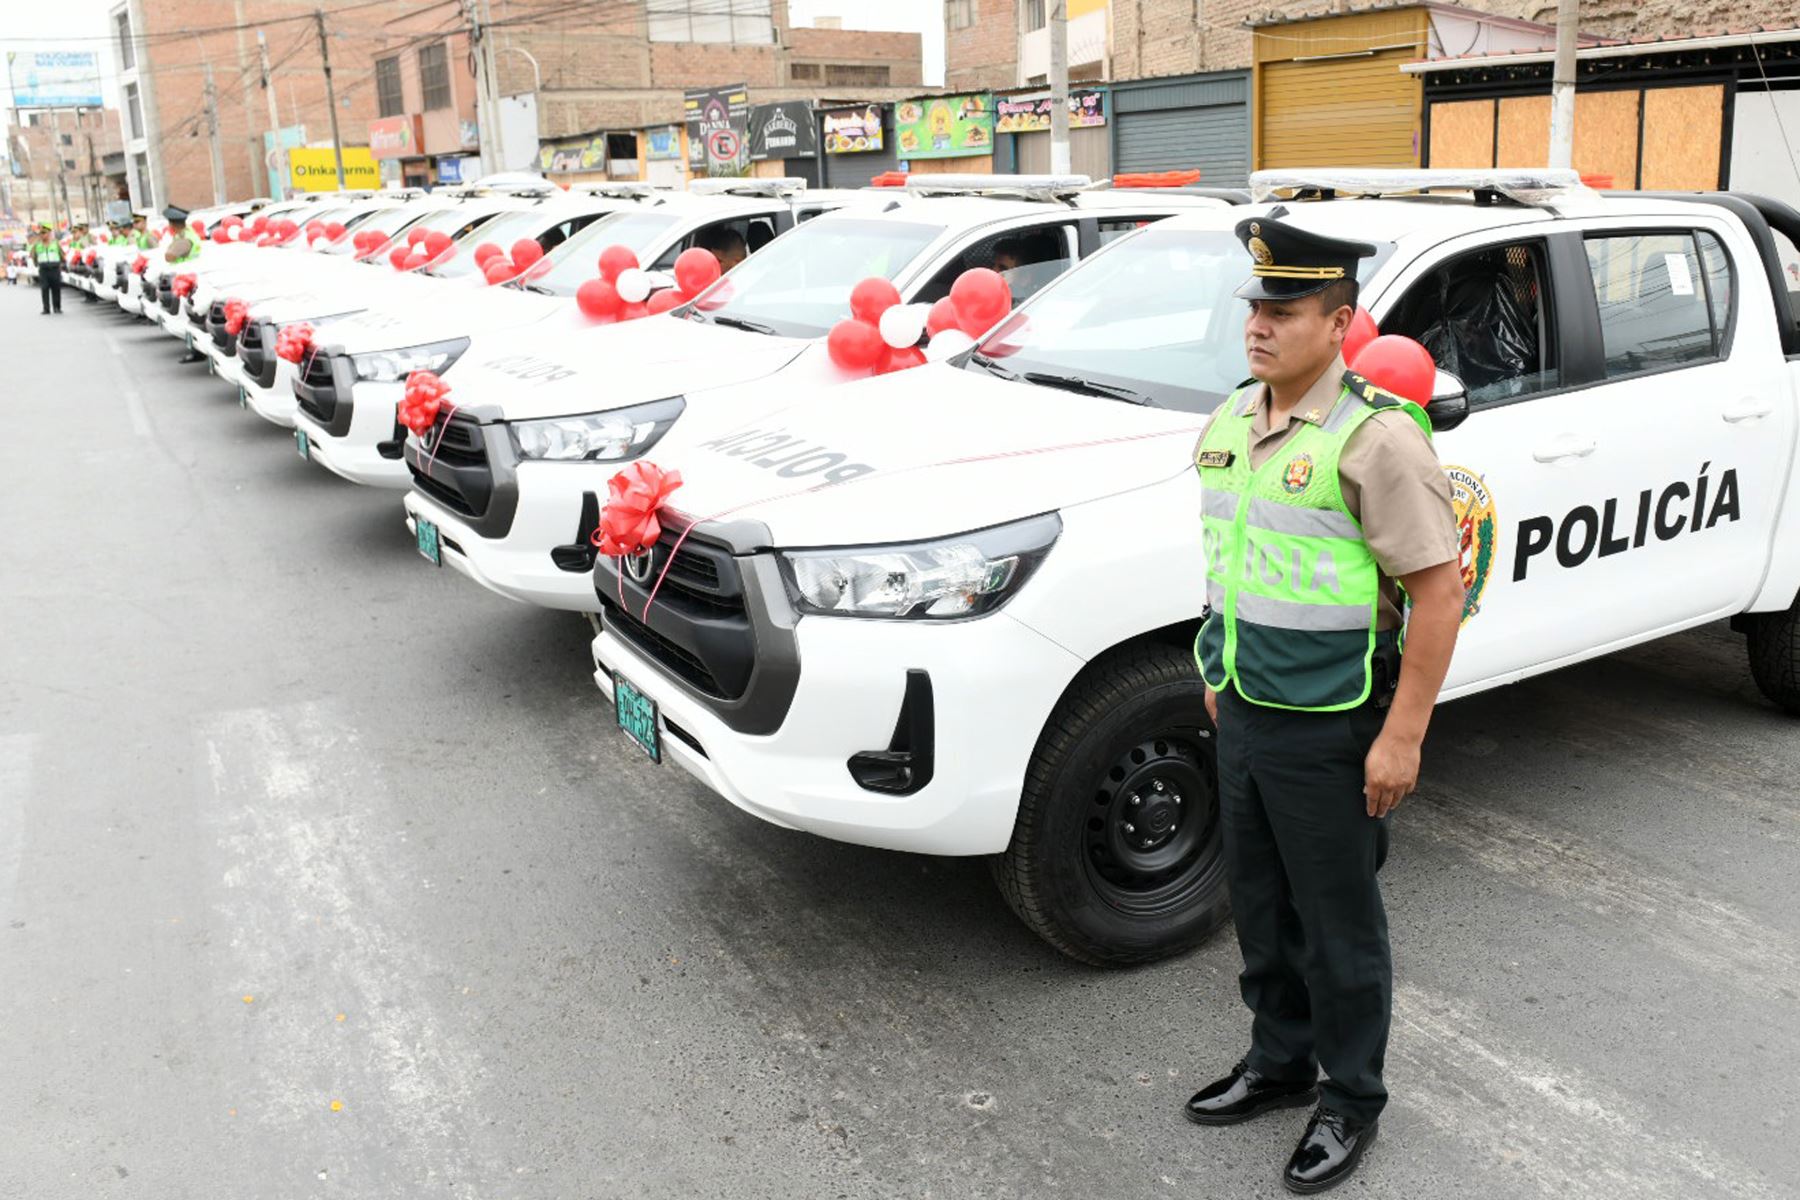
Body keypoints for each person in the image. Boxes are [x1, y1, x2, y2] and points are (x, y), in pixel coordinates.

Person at [1183, 216, 1465, 1194]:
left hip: (1334, 724)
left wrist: (1403, 736)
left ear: (1340, 319)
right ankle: (1279, 1061)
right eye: (1254, 306)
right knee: (1259, 908)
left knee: (1337, 923)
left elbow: (1437, 590)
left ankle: (1350, 1099)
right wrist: (1216, 677)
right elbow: (1230, 561)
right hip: (1245, 711)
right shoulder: (1230, 419)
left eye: (1285, 309)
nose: (1259, 325)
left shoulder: (1374, 438)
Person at [29, 224, 65, 314]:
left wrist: (61, 264)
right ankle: (46, 309)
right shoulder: (37, 245)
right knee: (44, 288)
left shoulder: (55, 243)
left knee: (56, 288)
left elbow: (62, 255)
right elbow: (33, 256)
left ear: (48, 233)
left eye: (44, 233)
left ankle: (57, 307)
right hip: (43, 269)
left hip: (55, 268)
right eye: (40, 233)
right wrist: (36, 264)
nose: (42, 235)